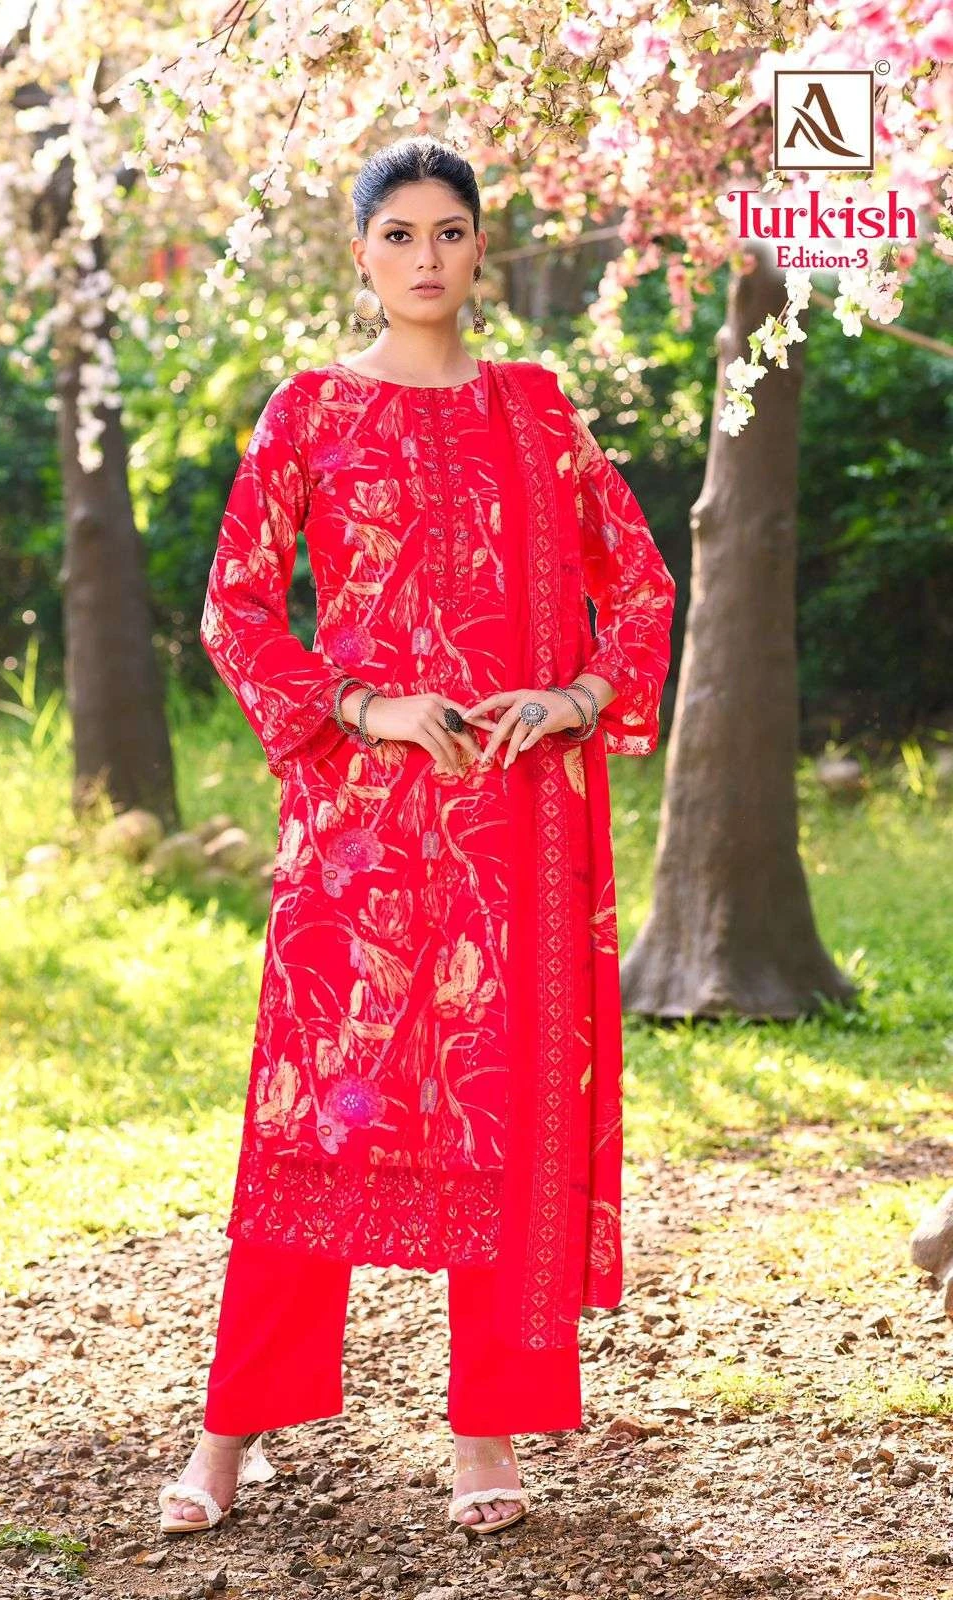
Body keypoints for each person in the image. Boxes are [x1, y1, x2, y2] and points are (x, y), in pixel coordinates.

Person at [157, 133, 676, 1538]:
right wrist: (363, 706)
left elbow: (638, 582)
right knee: (314, 1118)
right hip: (359, 830)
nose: (426, 257)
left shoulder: (535, 411)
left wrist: (576, 698)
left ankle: (485, 1434)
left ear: (480, 248)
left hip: (514, 819)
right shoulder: (310, 411)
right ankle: (230, 1430)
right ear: (362, 253)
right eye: (400, 234)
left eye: (450, 232)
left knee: (503, 1117)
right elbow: (236, 603)